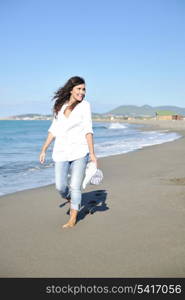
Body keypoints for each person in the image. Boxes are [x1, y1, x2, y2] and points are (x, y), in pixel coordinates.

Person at [39, 76, 97, 228]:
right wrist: (44, 148)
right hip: (61, 152)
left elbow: (88, 130)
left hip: (80, 151)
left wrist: (92, 154)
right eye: (79, 89)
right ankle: (72, 199)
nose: (82, 92)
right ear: (71, 89)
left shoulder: (85, 106)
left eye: (84, 89)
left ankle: (73, 218)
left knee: (75, 186)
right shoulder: (61, 106)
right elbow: (54, 130)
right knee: (60, 186)